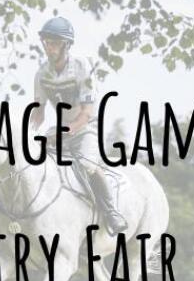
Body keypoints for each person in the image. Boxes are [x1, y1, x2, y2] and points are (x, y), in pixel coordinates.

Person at [30, 16, 127, 235]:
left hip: (85, 130)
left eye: (54, 43)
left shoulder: (83, 66)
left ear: (66, 45)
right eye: (46, 42)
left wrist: (65, 132)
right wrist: (28, 135)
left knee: (87, 165)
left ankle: (111, 212)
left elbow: (86, 113)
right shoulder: (41, 74)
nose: (49, 47)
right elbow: (38, 113)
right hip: (59, 131)